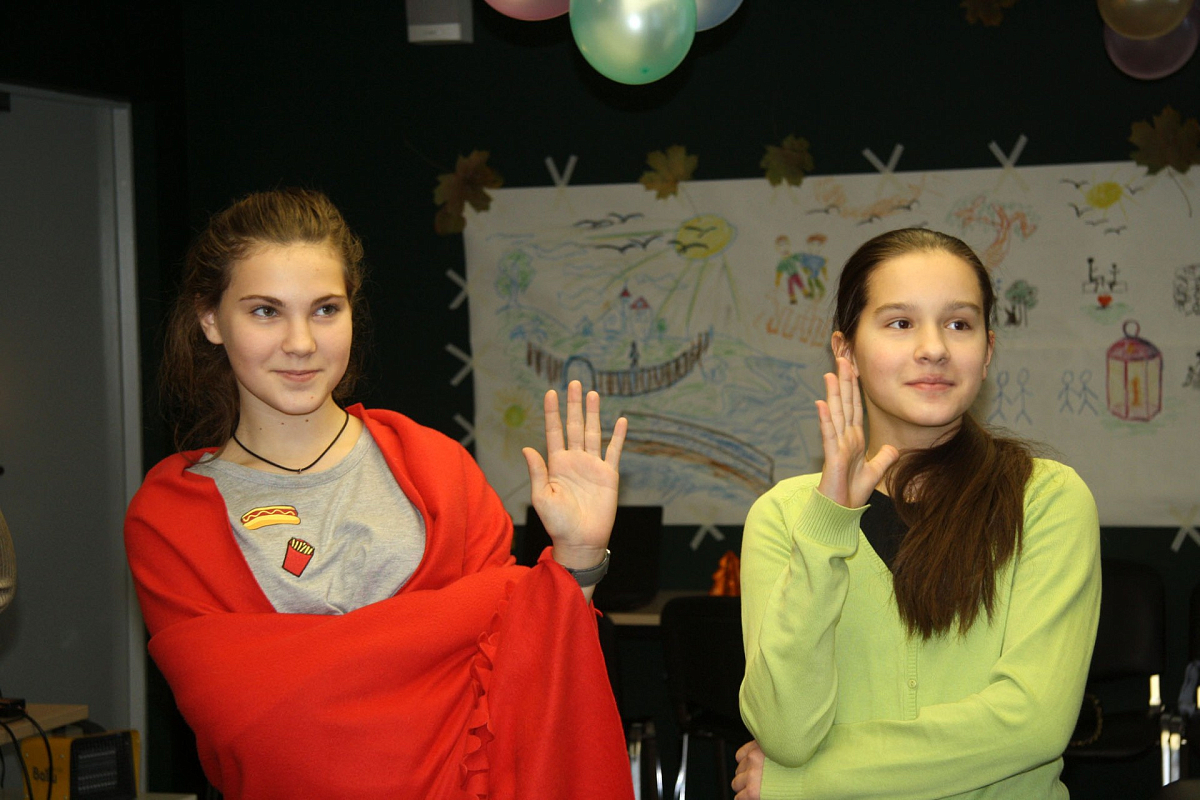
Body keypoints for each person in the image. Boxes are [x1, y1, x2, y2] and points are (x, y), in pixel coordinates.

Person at [124, 188, 634, 800]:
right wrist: (440, 637)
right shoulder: (169, 517)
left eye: (325, 309)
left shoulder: (439, 471)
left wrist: (578, 557)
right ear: (211, 320)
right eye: (265, 311)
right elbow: (243, 718)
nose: (300, 342)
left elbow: (521, 682)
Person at [734, 228, 1101, 799]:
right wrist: (828, 523)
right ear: (846, 352)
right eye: (901, 322)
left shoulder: (1047, 499)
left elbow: (1033, 722)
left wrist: (805, 783)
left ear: (987, 350)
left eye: (959, 324)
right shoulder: (783, 515)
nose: (934, 348)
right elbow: (786, 732)